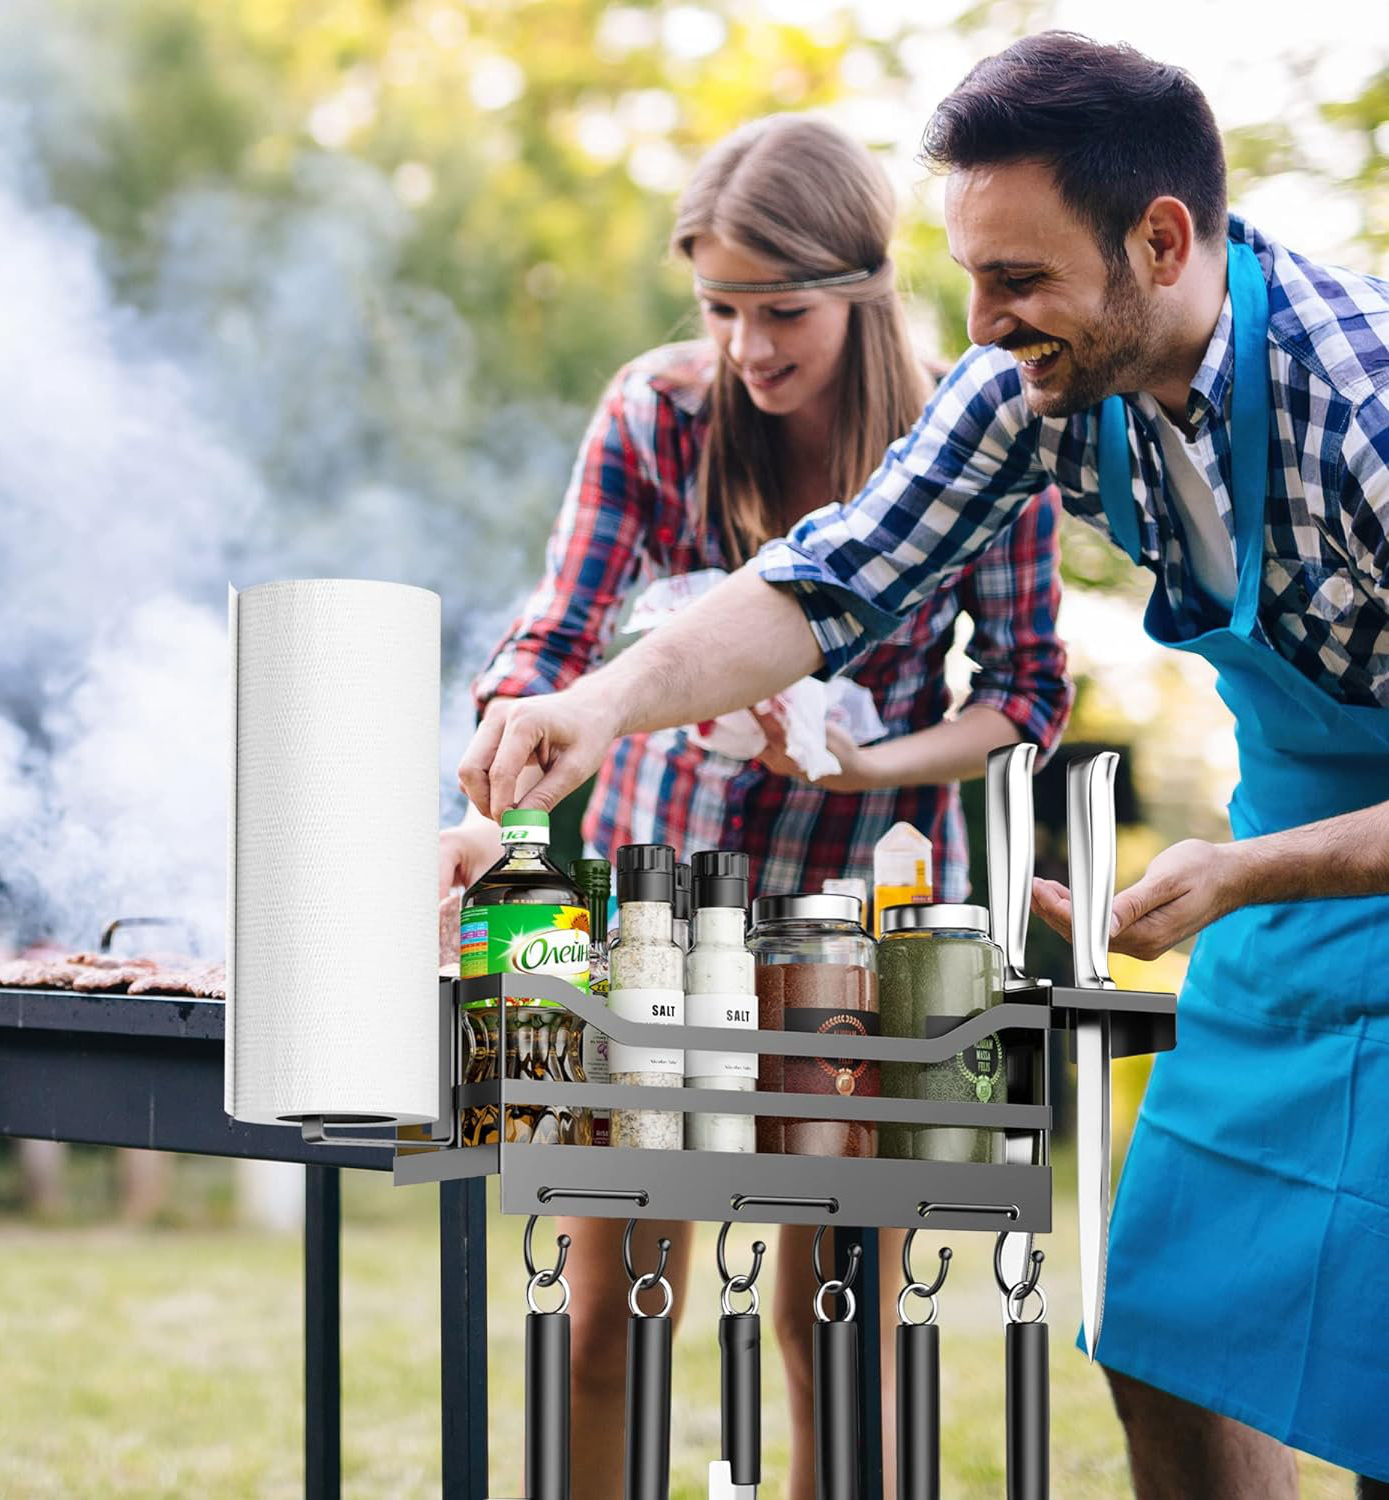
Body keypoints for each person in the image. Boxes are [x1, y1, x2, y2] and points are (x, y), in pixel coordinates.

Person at [459, 34, 1389, 1500]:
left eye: (1017, 280)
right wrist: (603, 705)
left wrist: (1241, 874)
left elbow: (1019, 688)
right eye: (970, 276)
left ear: (1160, 241)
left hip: (1289, 869)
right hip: (1281, 877)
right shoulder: (1032, 386)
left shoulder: (1369, 410)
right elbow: (828, 580)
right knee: (1170, 1339)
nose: (984, 320)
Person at [442, 114, 1072, 1500]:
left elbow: (1028, 694)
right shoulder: (657, 412)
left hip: (870, 912)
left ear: (862, 289)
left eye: (780, 310)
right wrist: (508, 734)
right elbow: (557, 632)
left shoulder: (979, 435)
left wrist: (868, 762)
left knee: (834, 1320)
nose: (747, 346)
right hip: (646, 900)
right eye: (720, 308)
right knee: (607, 1311)